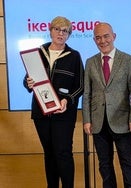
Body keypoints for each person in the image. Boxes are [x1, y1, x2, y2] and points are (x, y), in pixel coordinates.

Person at [23, 16, 84, 188]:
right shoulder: (37, 52)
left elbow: (80, 86)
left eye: (65, 31)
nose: (60, 33)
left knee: (63, 153)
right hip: (41, 113)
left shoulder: (74, 56)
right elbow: (28, 80)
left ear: (69, 35)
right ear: (50, 31)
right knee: (49, 154)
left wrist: (67, 100)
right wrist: (28, 82)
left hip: (63, 114)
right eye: (57, 29)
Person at [82, 22, 131, 188]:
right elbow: (87, 93)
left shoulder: (128, 60)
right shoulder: (90, 62)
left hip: (123, 122)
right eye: (98, 38)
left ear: (114, 36)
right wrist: (87, 120)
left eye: (106, 36)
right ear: (94, 40)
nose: (103, 41)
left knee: (128, 164)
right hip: (98, 123)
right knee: (104, 166)